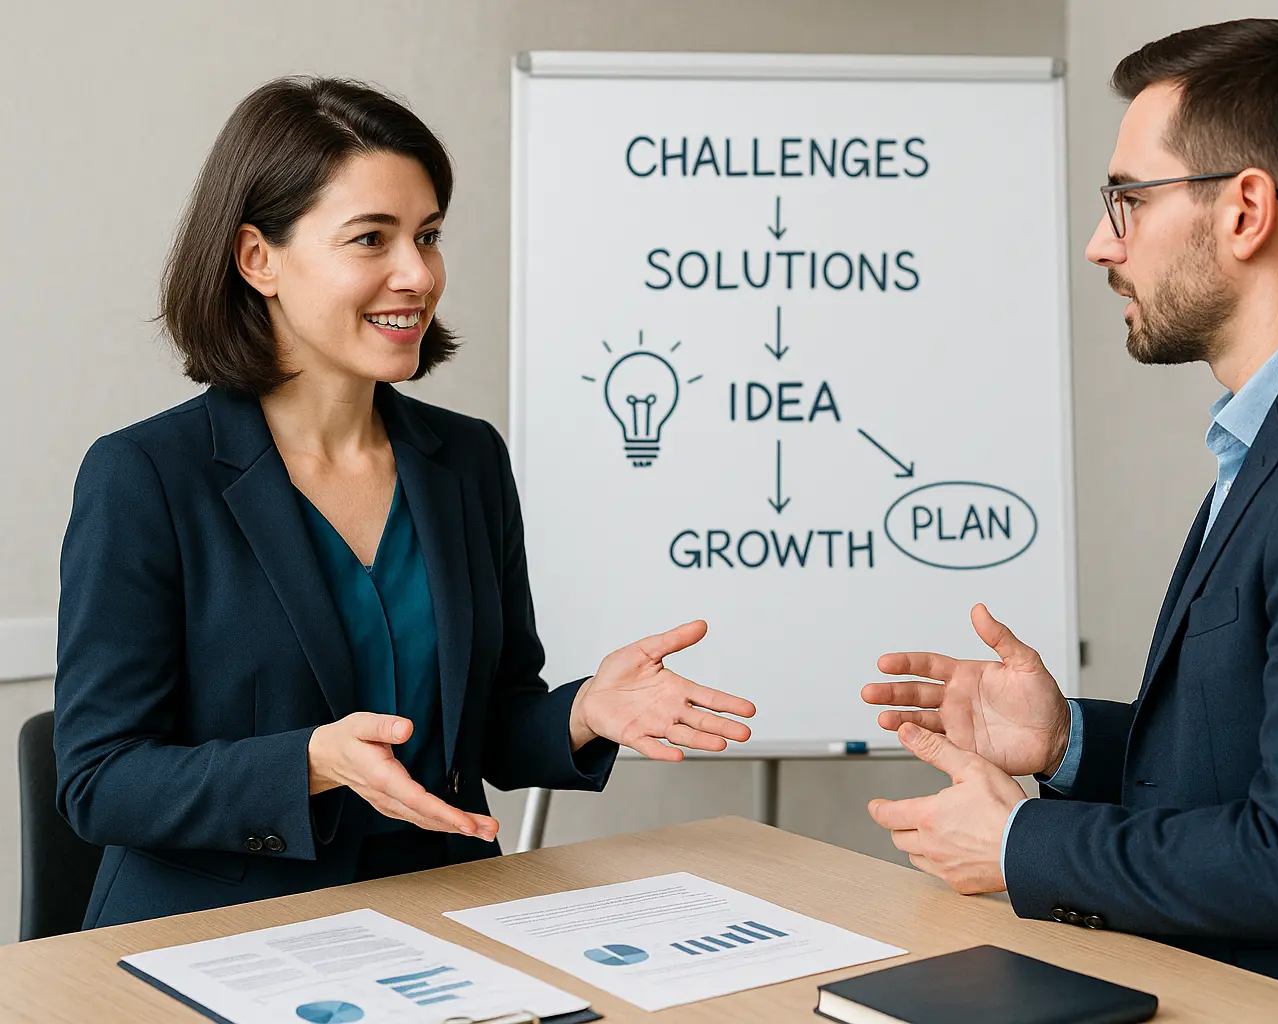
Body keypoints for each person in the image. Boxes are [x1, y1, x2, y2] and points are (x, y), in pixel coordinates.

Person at [862, 19, 1278, 1024]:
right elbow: (1269, 760)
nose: (1100, 243)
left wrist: (1016, 845)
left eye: (1126, 201)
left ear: (1247, 209)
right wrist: (1067, 743)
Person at [53, 77, 755, 928]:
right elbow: (99, 781)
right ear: (257, 259)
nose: (417, 274)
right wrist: (313, 761)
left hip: (445, 914)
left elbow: (489, 725)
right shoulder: (145, 477)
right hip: (222, 932)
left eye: (426, 236)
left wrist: (581, 711)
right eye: (371, 239)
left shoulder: (465, 460)